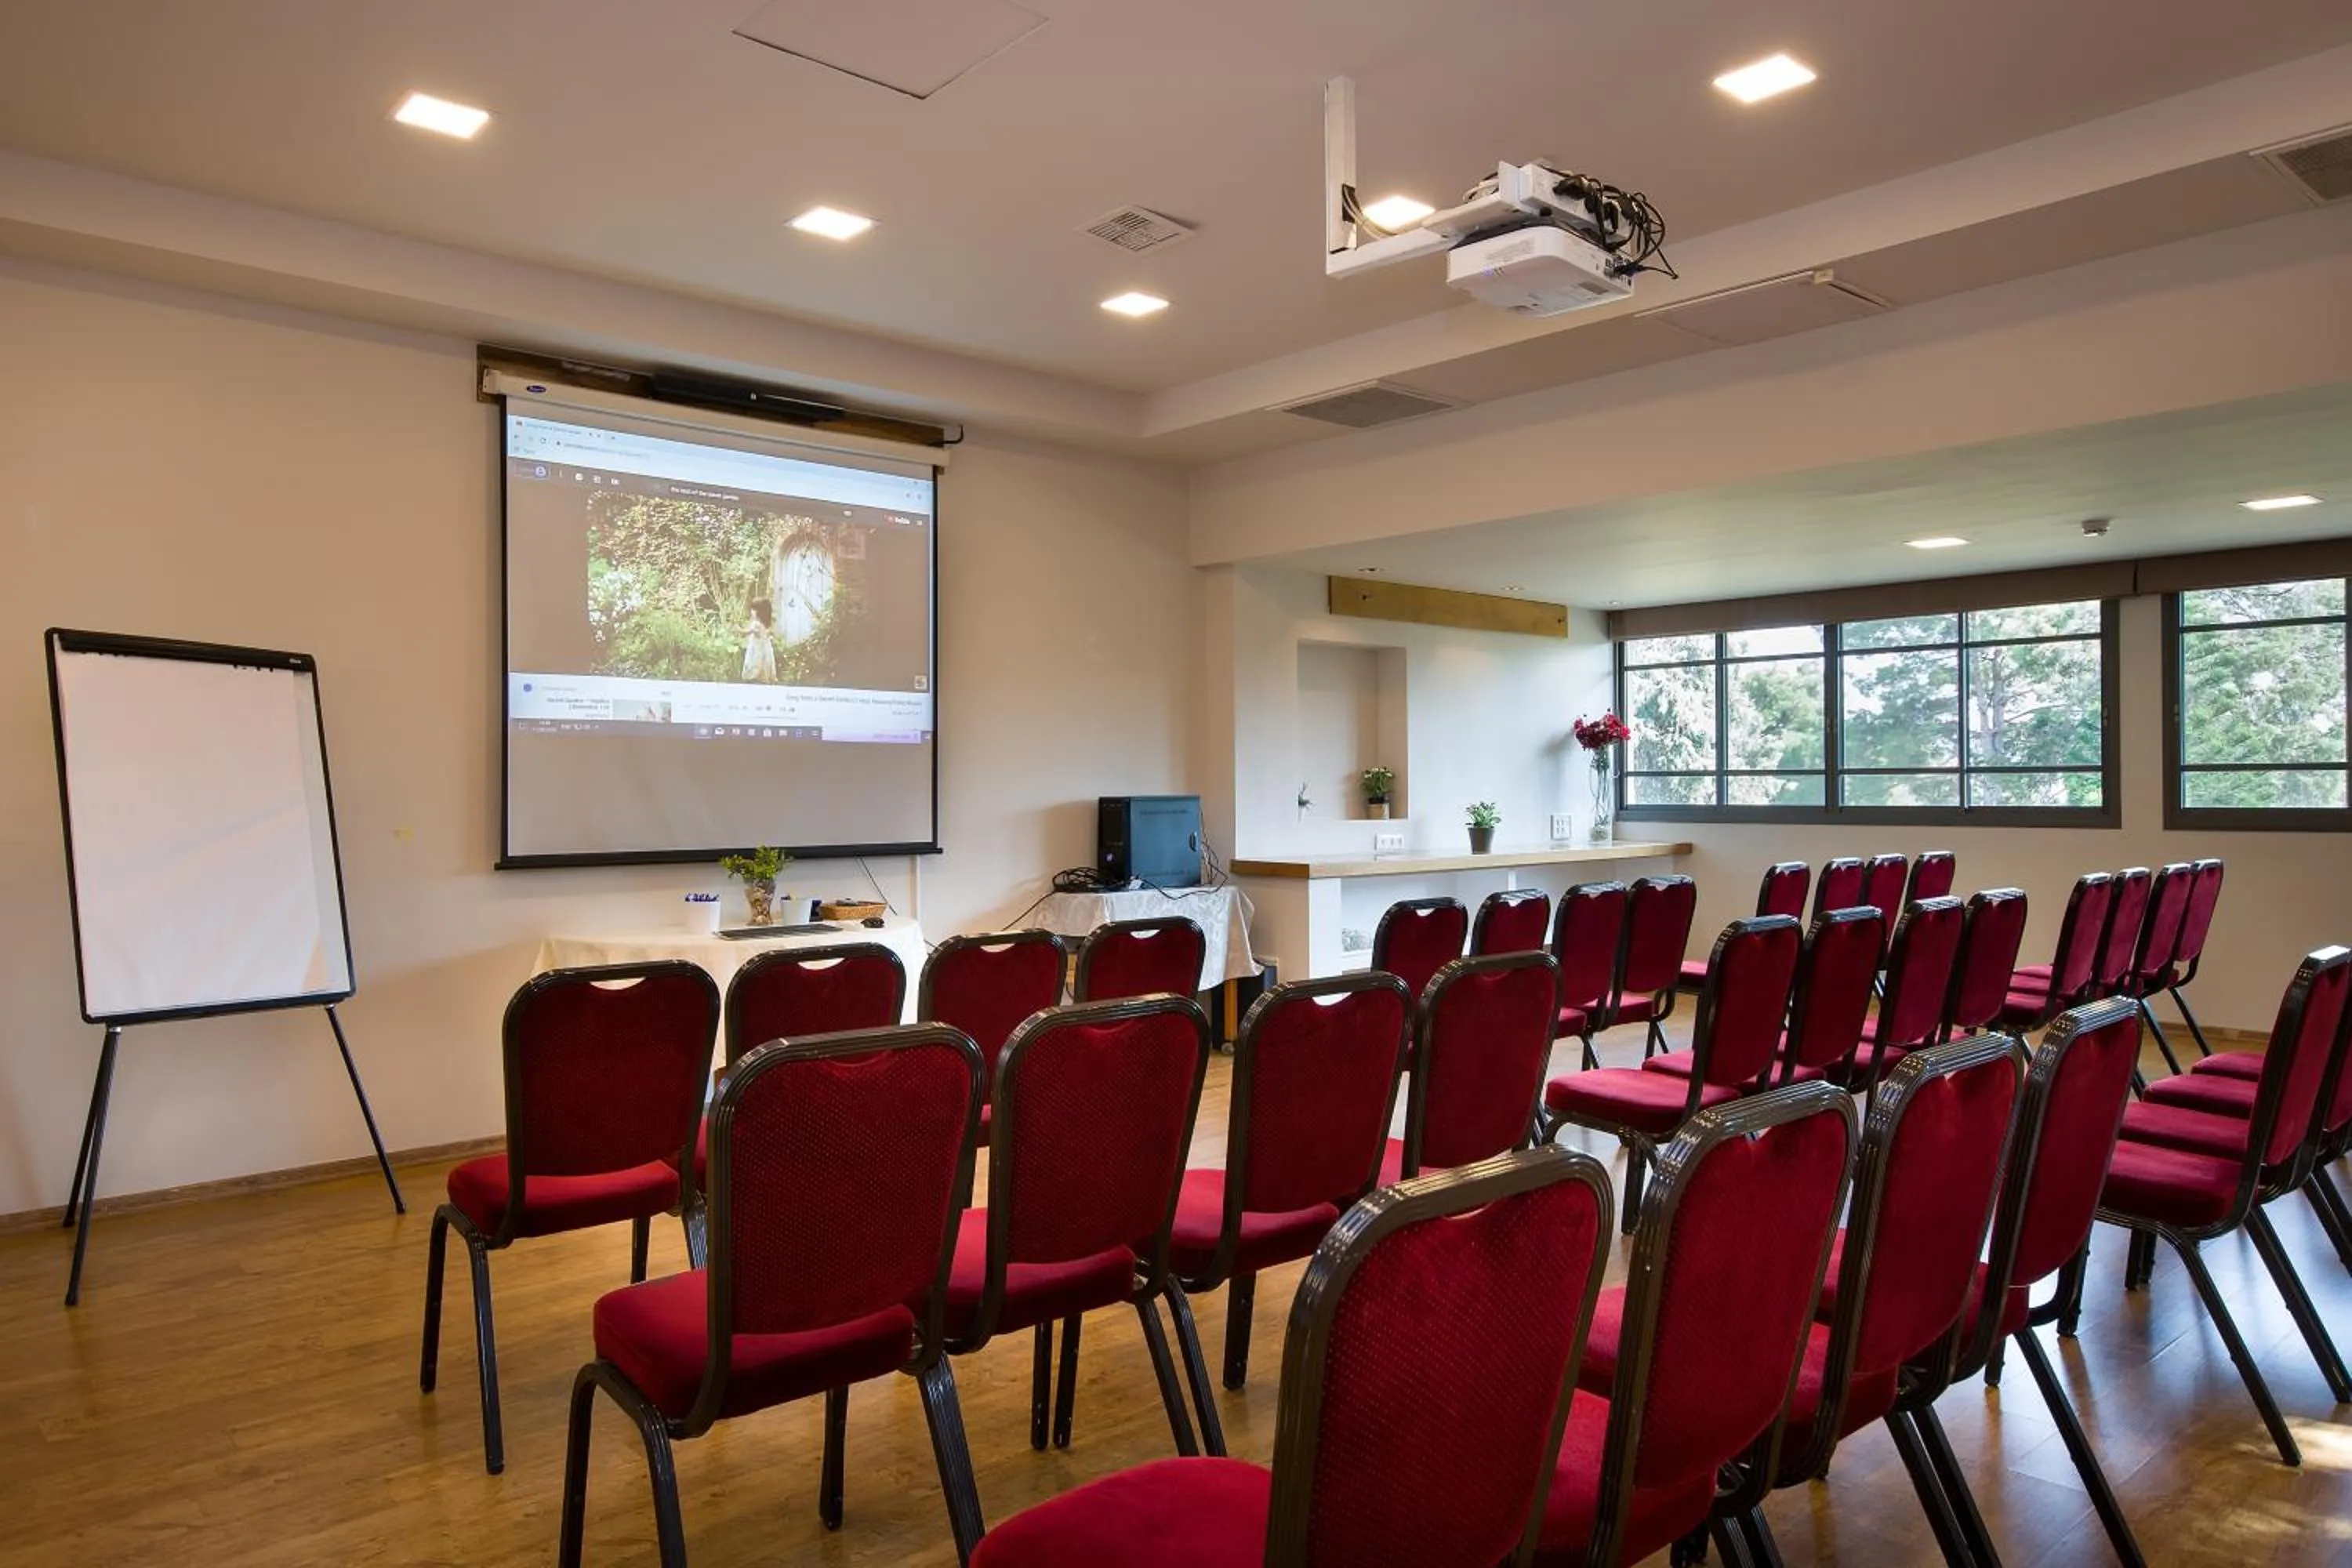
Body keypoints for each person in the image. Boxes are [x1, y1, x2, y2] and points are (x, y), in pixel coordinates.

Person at [741, 597, 777, 682]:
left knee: (755, 664)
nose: (751, 611)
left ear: (759, 612)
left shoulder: (756, 624)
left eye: (753, 609)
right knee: (764, 664)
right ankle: (765, 678)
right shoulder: (766, 624)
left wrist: (736, 628)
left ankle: (755, 678)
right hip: (765, 650)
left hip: (756, 650)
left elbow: (746, 632)